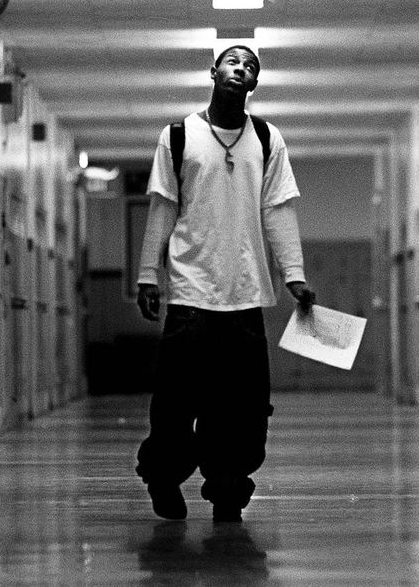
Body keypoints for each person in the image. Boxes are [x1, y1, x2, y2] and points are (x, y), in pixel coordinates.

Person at [135, 45, 315, 523]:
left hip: (246, 296)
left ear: (255, 83)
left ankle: (229, 486)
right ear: (214, 72)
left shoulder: (267, 137)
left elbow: (277, 209)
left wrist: (293, 275)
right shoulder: (178, 136)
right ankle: (164, 477)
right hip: (191, 296)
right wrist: (148, 275)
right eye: (233, 61)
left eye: (251, 66)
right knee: (176, 402)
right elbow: (163, 207)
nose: (242, 68)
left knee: (243, 408)